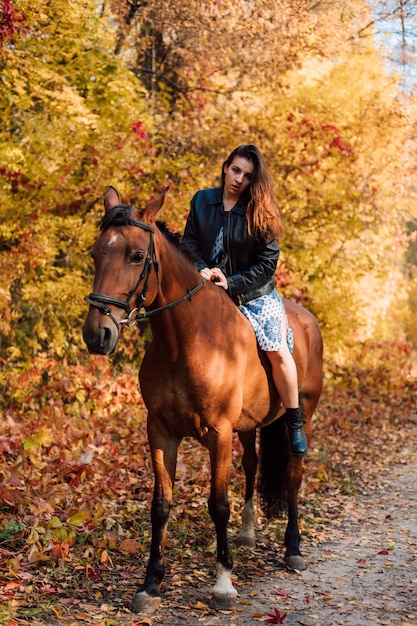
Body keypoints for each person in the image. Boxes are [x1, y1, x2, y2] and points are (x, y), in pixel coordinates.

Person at [182, 144, 307, 457]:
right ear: (226, 167)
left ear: (254, 181)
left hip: (253, 293)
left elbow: (267, 265)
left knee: (277, 350)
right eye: (235, 170)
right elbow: (189, 244)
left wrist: (232, 282)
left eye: (247, 176)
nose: (239, 179)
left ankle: (294, 421)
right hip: (206, 289)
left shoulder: (259, 211)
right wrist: (201, 268)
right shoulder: (202, 200)